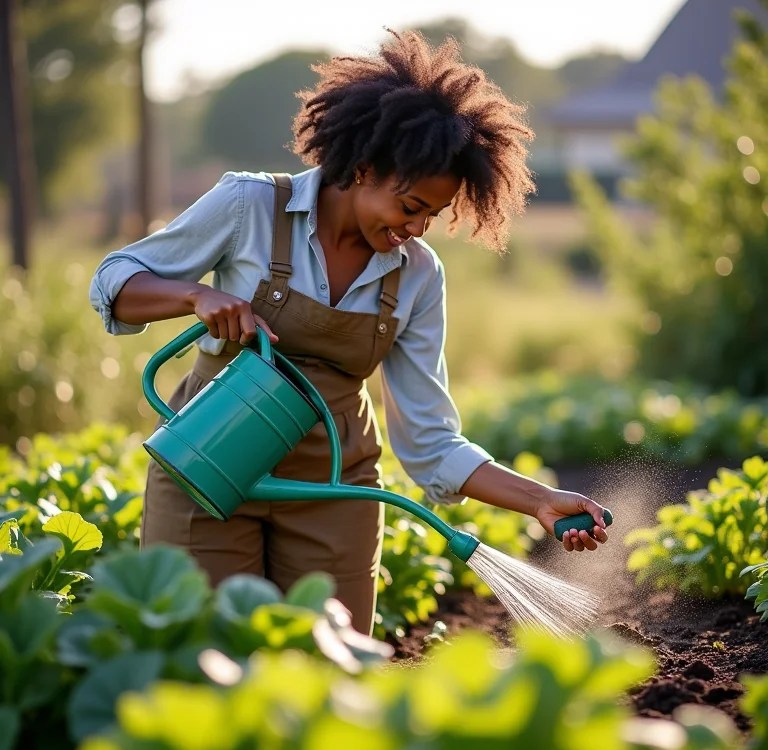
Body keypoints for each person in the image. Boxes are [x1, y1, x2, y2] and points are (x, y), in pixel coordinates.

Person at [89, 30, 610, 636]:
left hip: (334, 485)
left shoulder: (417, 278)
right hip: (207, 463)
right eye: (409, 205)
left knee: (329, 670)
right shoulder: (249, 206)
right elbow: (115, 280)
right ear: (363, 168)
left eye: (431, 216)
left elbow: (430, 443)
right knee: (200, 652)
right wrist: (195, 294)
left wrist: (538, 500)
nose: (416, 228)